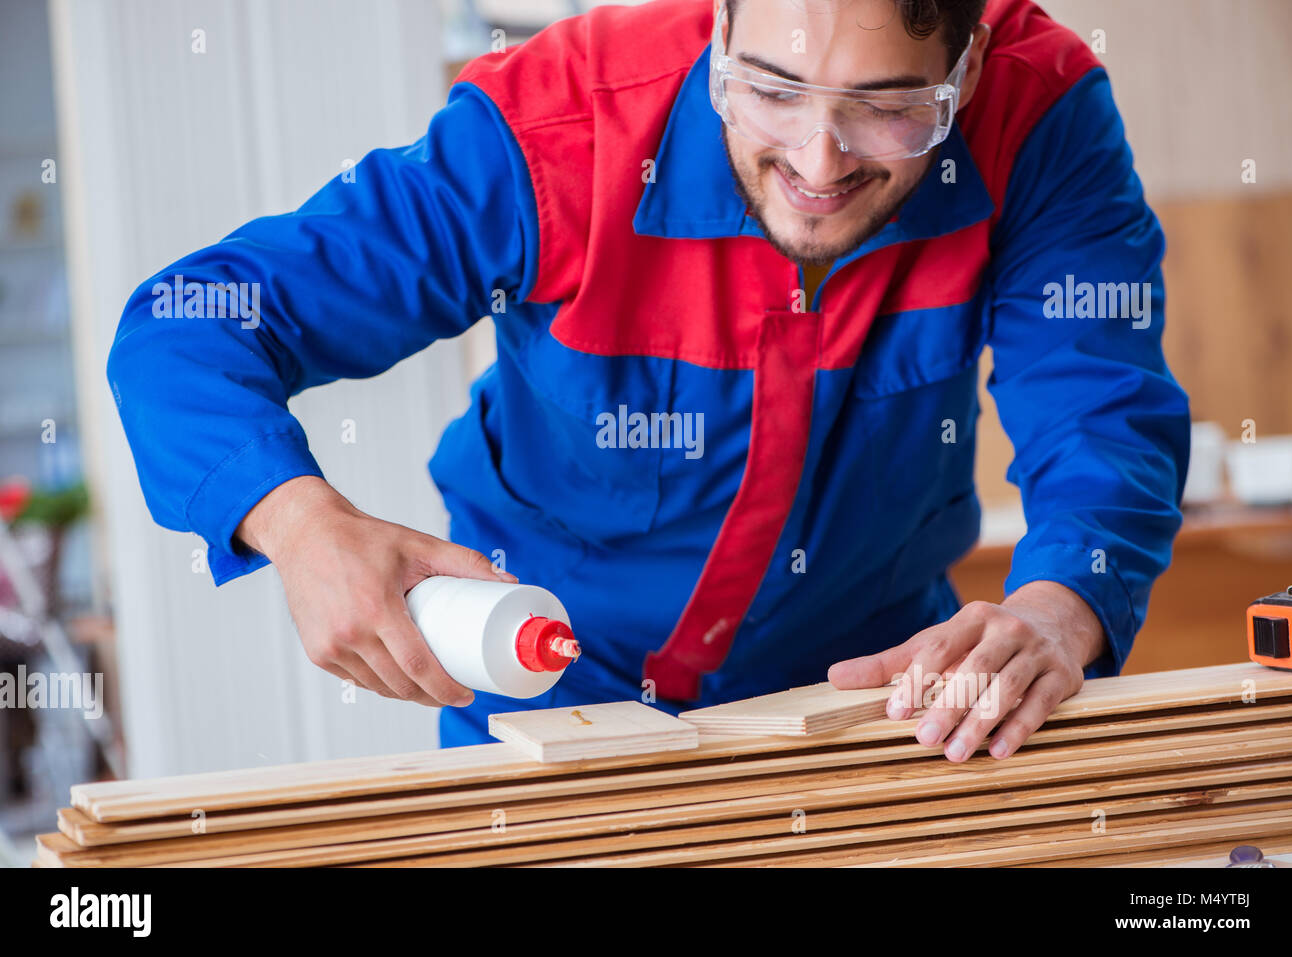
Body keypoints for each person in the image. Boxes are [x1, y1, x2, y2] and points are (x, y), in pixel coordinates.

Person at [107, 0, 1190, 761]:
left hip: (869, 707)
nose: (818, 164)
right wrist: (297, 524)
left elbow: (1100, 407)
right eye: (768, 91)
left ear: (969, 60)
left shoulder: (1039, 115)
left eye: (888, 107)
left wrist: (1061, 608)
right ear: (718, 26)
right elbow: (184, 326)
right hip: (548, 711)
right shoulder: (553, 130)